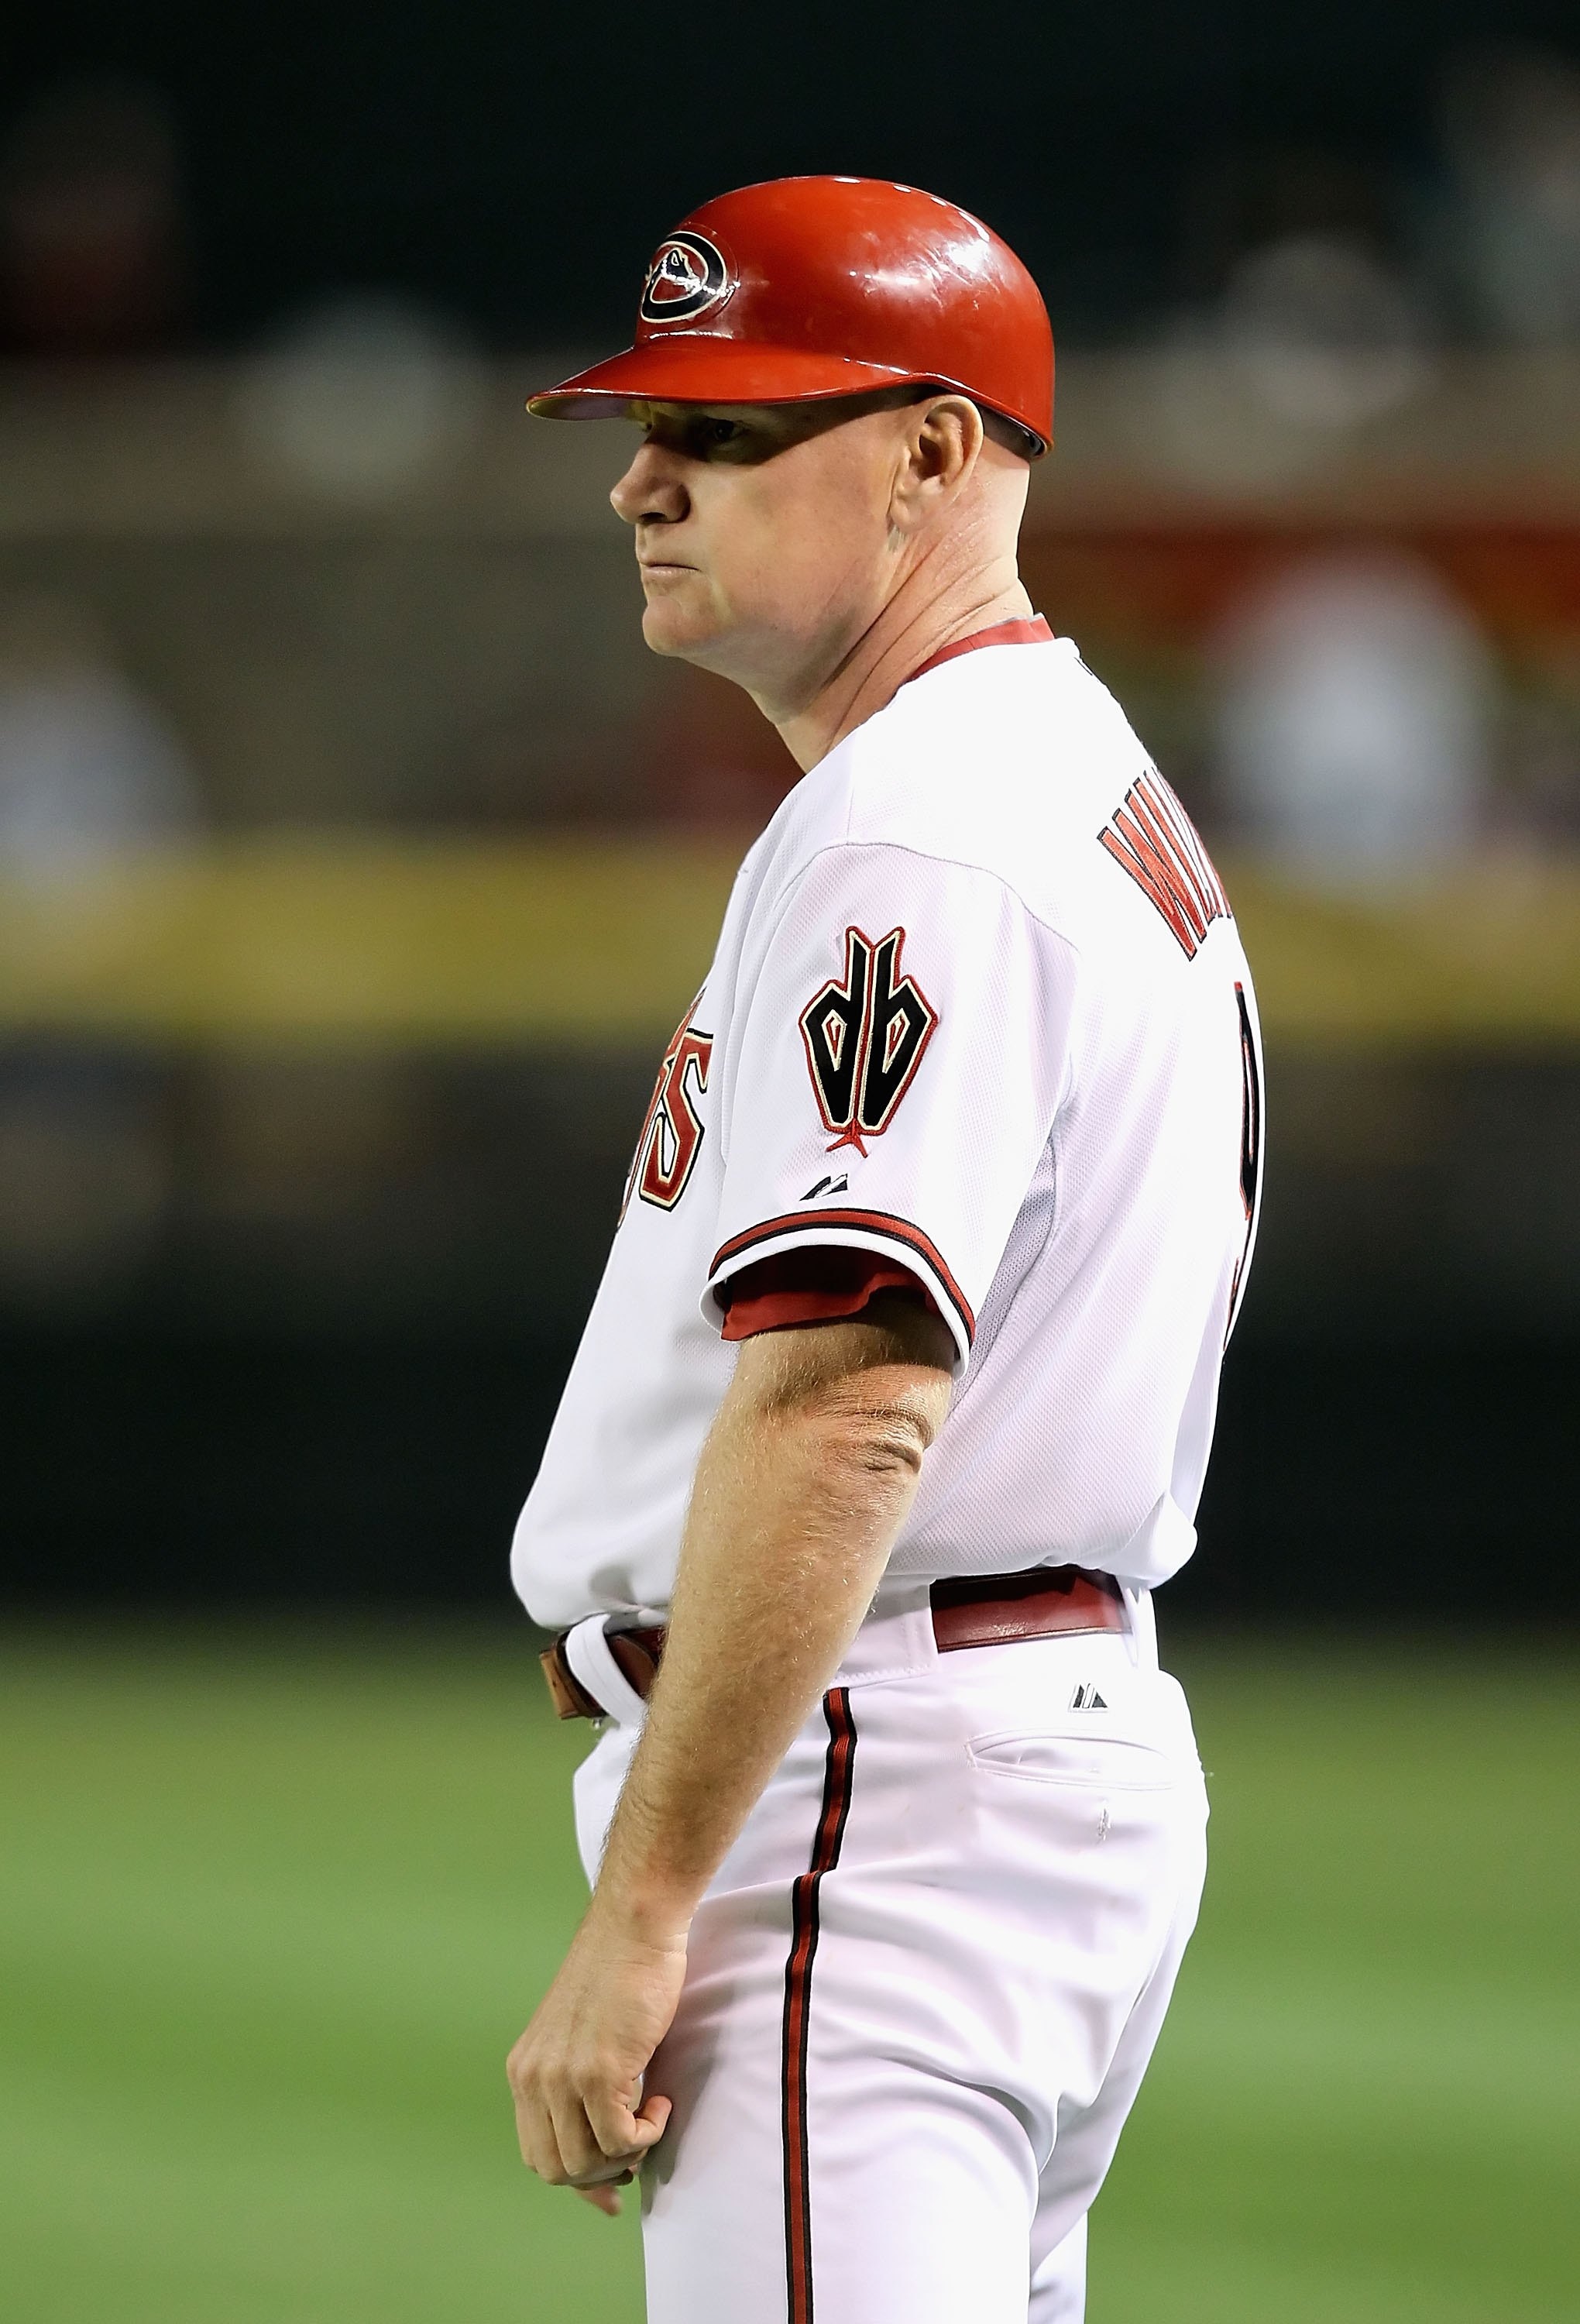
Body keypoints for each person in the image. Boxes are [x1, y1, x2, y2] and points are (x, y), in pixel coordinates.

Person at [506, 176, 1263, 2324]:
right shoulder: (1059, 772)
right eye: (650, 428)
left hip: (875, 1777)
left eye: (729, 430)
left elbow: (849, 1409)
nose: (647, 477)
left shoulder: (920, 826)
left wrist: (646, 1907)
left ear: (936, 451)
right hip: (1004, 1744)